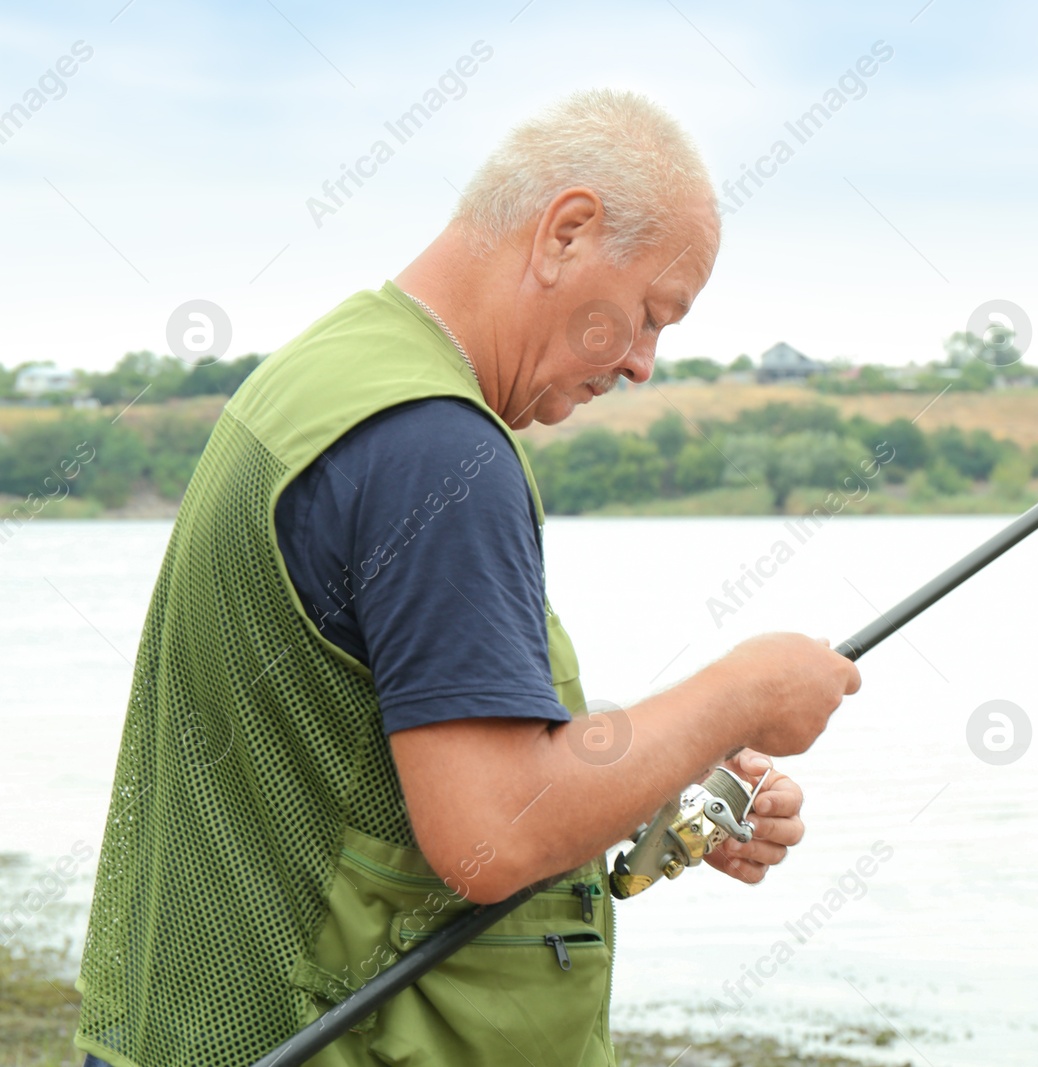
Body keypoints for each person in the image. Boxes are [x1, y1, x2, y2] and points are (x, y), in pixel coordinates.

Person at [74, 88, 861, 1067]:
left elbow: (368, 743)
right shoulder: (438, 456)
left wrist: (665, 767)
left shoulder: (324, 378)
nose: (646, 365)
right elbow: (487, 833)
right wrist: (742, 692)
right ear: (566, 232)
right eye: (650, 314)